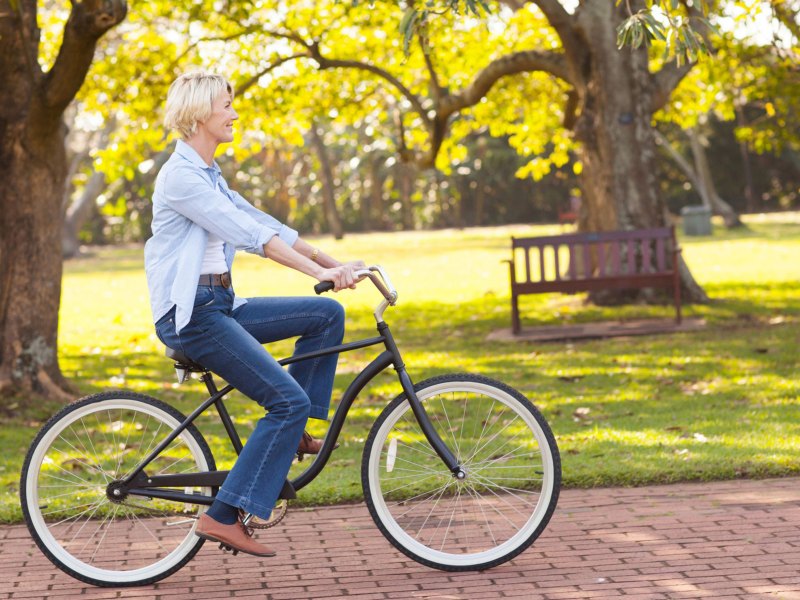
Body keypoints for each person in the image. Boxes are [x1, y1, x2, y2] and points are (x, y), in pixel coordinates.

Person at [144, 71, 364, 557]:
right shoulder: (181, 178)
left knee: (324, 316)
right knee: (286, 400)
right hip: (193, 316)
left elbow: (269, 225)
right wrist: (316, 270)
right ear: (201, 113)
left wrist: (337, 265)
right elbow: (252, 237)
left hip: (220, 305)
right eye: (227, 105)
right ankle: (222, 516)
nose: (234, 113)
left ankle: (294, 434)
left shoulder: (209, 175)